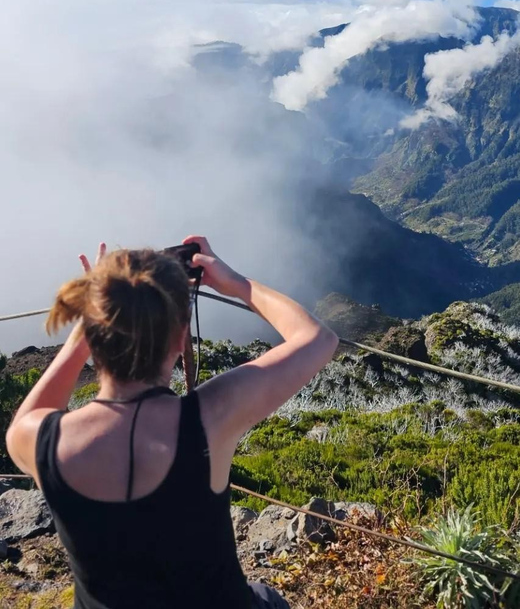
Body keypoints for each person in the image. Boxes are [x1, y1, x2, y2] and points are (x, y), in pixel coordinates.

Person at [7, 236, 338, 609]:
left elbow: (28, 416)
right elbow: (318, 339)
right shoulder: (210, 417)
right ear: (181, 338)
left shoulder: (40, 442)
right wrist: (235, 283)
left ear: (94, 333)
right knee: (268, 599)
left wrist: (92, 319)